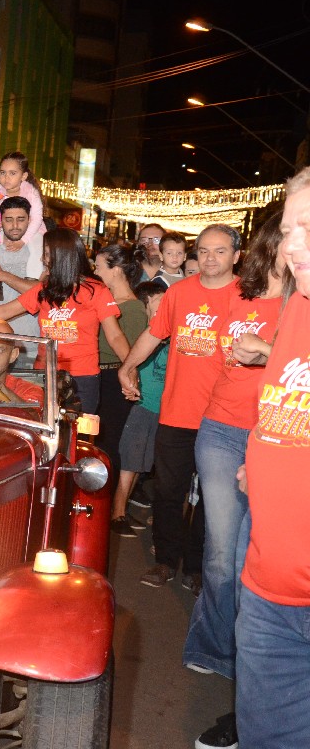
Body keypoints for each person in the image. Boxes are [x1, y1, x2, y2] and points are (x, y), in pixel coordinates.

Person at [183, 212, 287, 747]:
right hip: (221, 431)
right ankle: (212, 648)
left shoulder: (298, 307)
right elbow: (189, 330)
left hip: (274, 440)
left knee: (256, 559)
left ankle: (256, 663)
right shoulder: (233, 297)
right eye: (283, 239)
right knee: (223, 553)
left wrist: (265, 353)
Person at [118, 223, 242, 592]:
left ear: (236, 256)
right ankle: (165, 561)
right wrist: (127, 367)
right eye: (203, 250)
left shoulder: (247, 298)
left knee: (212, 498)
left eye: (220, 251)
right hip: (176, 412)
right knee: (169, 492)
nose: (210, 258)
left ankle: (198, 566)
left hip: (223, 418)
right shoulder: (179, 293)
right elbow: (154, 335)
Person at [233, 168, 310, 748]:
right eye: (288, 230)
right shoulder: (299, 308)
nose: (290, 247)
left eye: (308, 229)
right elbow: (285, 405)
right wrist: (262, 457)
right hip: (267, 588)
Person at [0, 228, 129, 413]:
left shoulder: (96, 290)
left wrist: (129, 368)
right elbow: (3, 311)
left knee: (76, 433)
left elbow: (115, 336)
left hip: (82, 378)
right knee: (40, 427)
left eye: (47, 254)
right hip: (44, 374)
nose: (43, 259)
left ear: (63, 255)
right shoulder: (45, 290)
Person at [92, 242, 150, 537]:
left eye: (100, 266)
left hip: (114, 379)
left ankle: (104, 509)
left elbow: (131, 353)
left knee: (109, 444)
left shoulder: (132, 308)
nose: (95, 271)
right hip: (98, 377)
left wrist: (129, 379)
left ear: (115, 270)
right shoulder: (103, 300)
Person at [0, 195, 44, 343]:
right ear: (0, 220)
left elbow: (41, 294)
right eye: (8, 220)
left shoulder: (42, 252)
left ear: (30, 220)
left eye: (21, 219)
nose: (15, 226)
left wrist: (3, 275)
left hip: (32, 341)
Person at [0, 151, 45, 249]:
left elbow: (37, 219)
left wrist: (23, 240)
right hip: (4, 233)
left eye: (12, 173)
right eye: (3, 172)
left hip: (31, 233)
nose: (6, 177)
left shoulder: (31, 194)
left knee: (37, 244)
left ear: (23, 176)